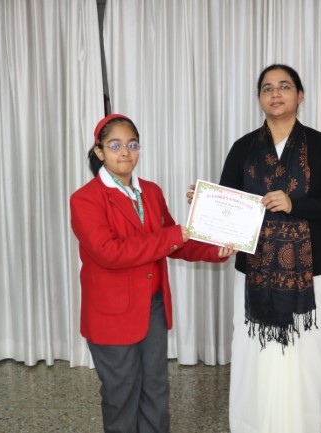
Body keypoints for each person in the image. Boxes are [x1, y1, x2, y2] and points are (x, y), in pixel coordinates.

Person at [70, 114, 235, 433]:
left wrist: (215, 249)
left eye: (132, 145)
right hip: (112, 314)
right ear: (99, 151)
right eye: (114, 145)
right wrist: (172, 236)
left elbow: (174, 243)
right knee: (121, 394)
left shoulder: (151, 191)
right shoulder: (85, 199)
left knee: (156, 389)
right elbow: (109, 253)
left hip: (153, 307)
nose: (125, 152)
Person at [219, 64, 321, 433]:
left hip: (312, 272)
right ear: (259, 98)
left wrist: (295, 204)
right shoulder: (243, 148)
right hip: (254, 270)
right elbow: (229, 201)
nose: (275, 94)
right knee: (253, 353)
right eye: (267, 88)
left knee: (305, 354)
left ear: (300, 95)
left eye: (284, 86)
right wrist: (210, 209)